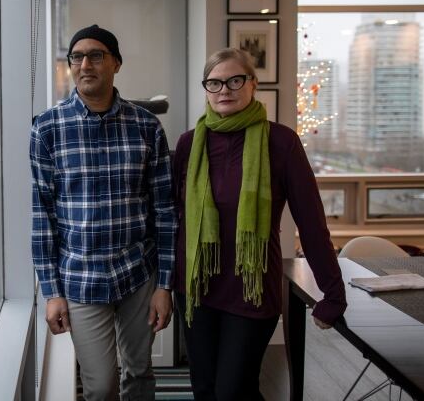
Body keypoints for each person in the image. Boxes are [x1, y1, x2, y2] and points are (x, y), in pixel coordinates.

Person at [173, 48, 346, 400]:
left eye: (235, 80)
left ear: (253, 84)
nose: (224, 89)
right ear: (205, 89)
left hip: (250, 289)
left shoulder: (281, 142)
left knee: (232, 392)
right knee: (205, 390)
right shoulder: (189, 143)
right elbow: (174, 220)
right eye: (214, 82)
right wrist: (163, 286)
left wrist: (333, 294)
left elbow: (311, 221)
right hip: (196, 290)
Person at [30, 24, 177, 401]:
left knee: (140, 372)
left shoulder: (146, 127)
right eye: (76, 57)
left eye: (96, 55)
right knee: (100, 385)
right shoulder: (47, 128)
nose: (85, 64)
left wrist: (165, 286)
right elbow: (42, 216)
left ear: (116, 64)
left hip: (137, 273)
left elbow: (164, 210)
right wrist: (51, 292)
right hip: (80, 277)